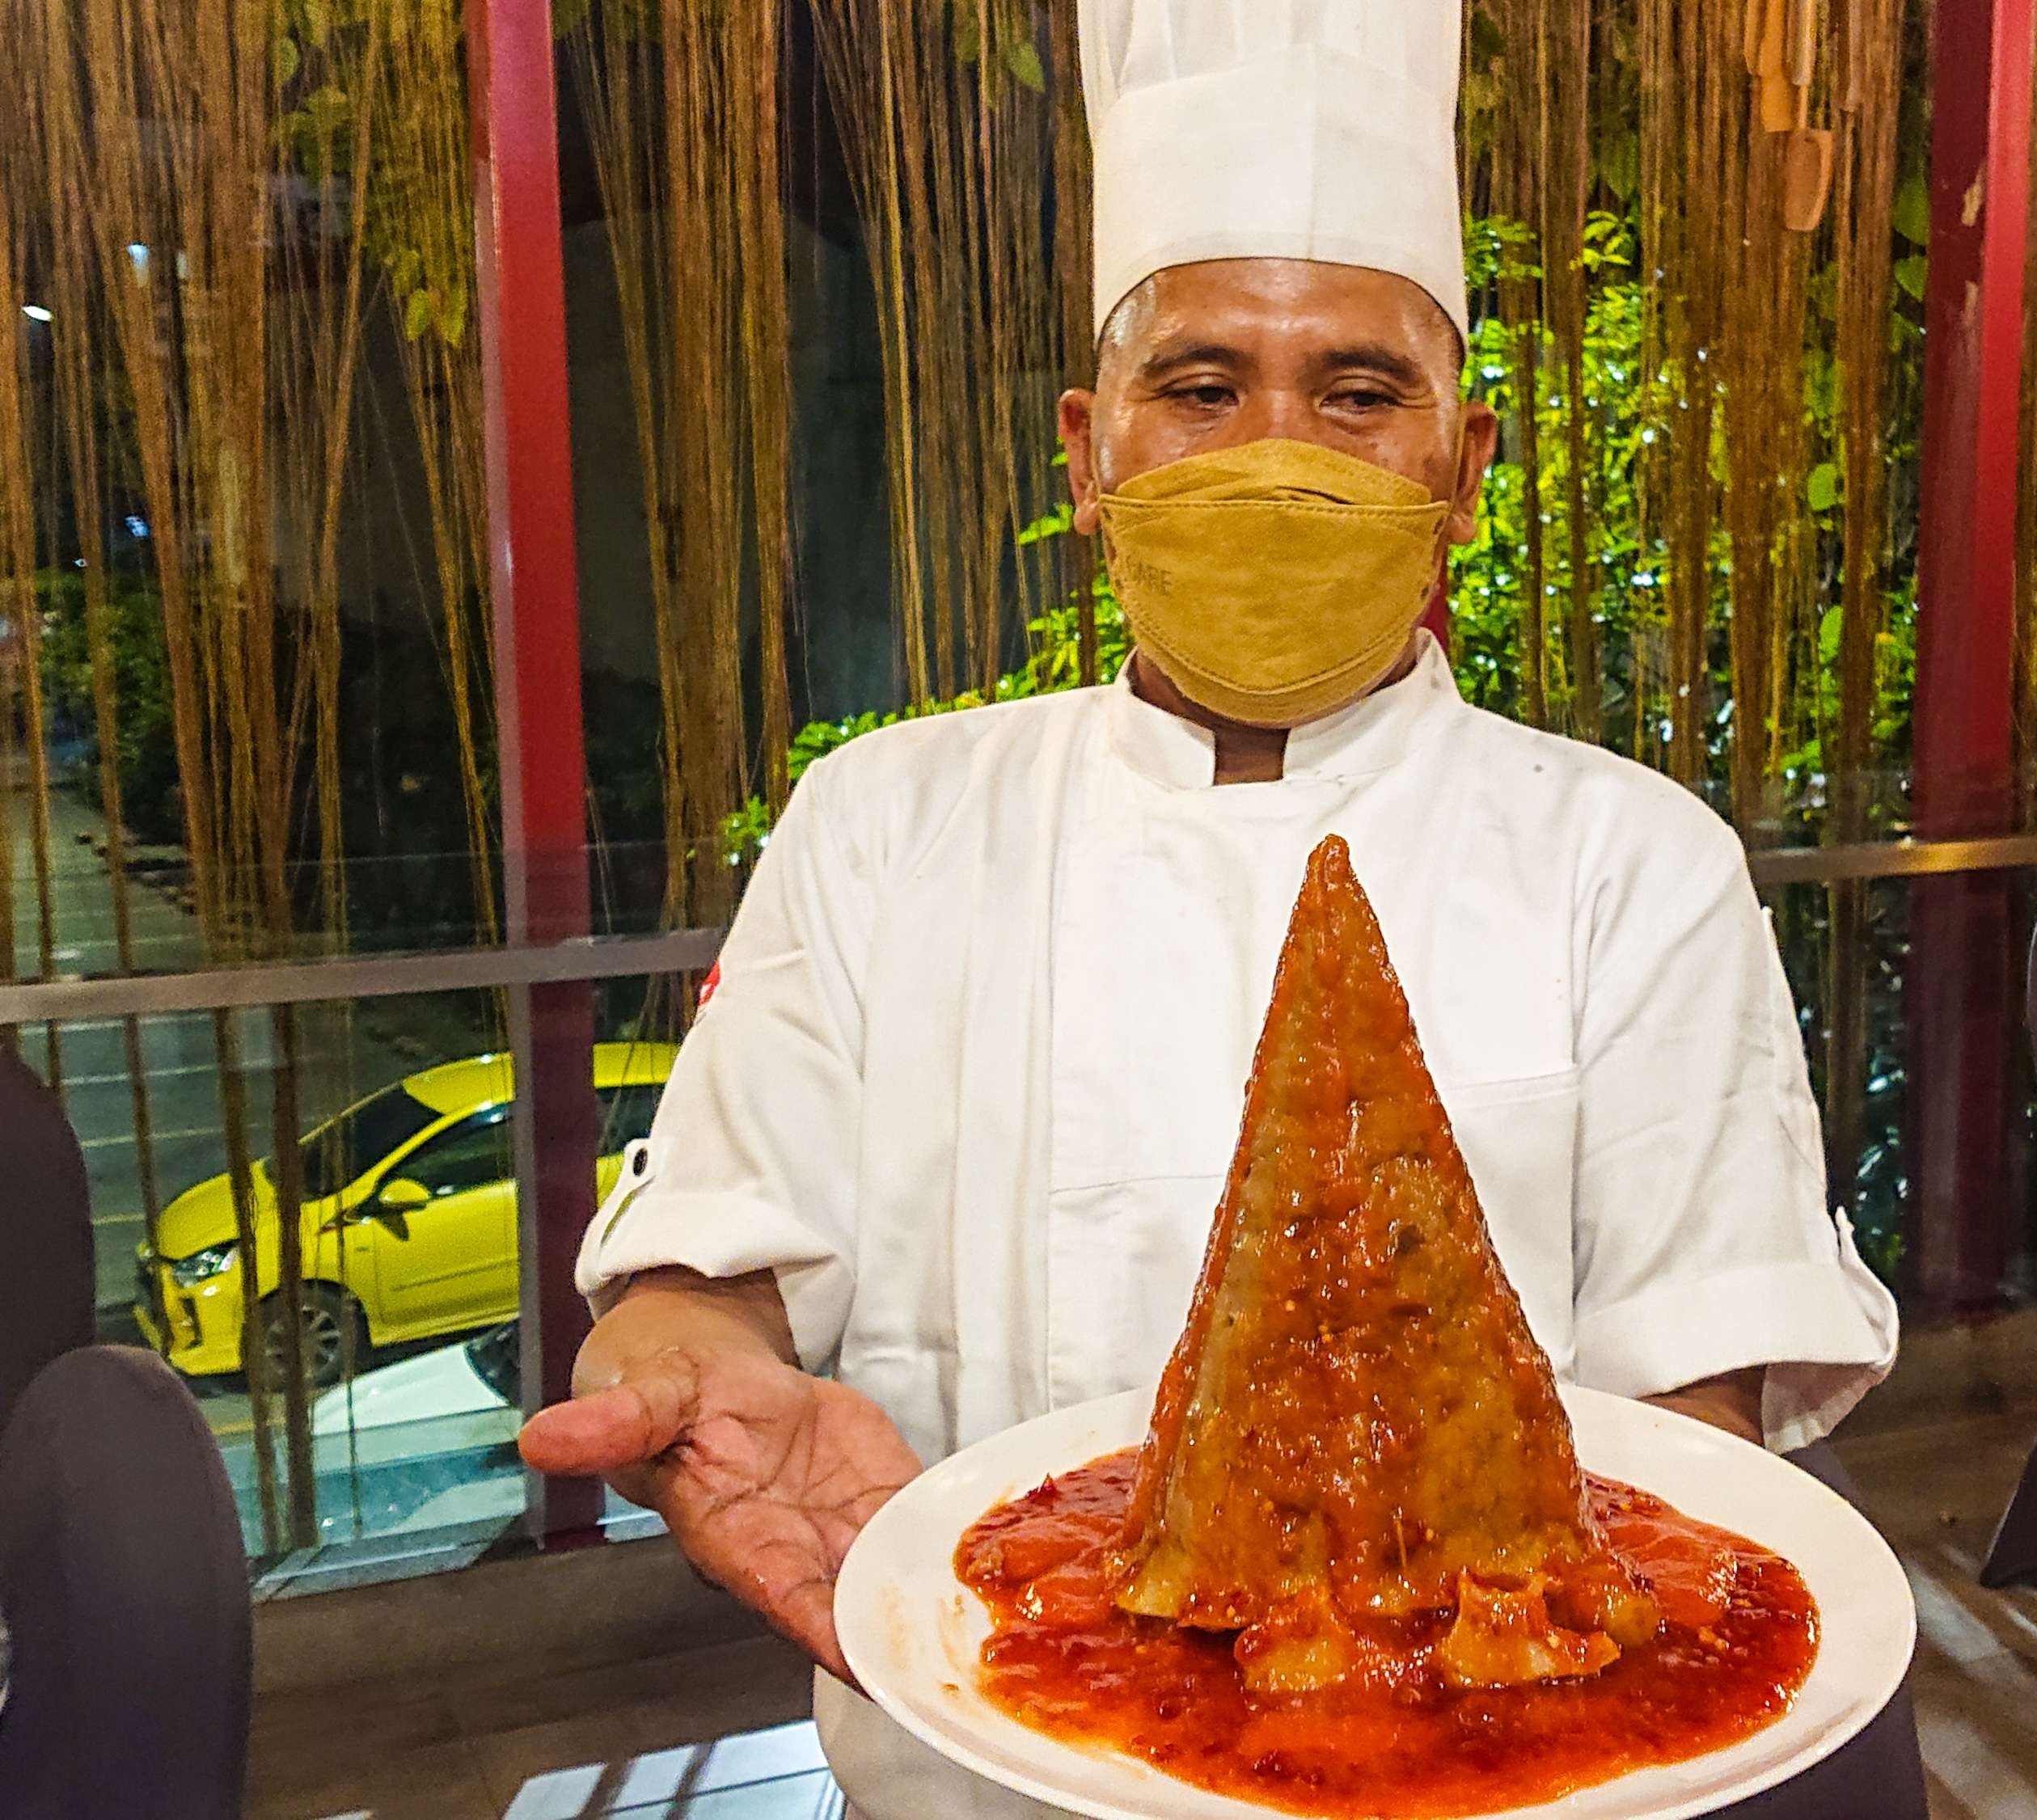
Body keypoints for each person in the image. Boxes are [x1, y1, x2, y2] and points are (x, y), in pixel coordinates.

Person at [518, 1, 1899, 1811]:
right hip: (968, 1766)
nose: (1277, 448)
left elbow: (1697, 1427)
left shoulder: (1633, 858)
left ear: (1463, 470)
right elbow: (702, 1269)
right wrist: (683, 1365)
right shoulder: (881, 825)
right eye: (1201, 386)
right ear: (1090, 455)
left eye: (1356, 390)